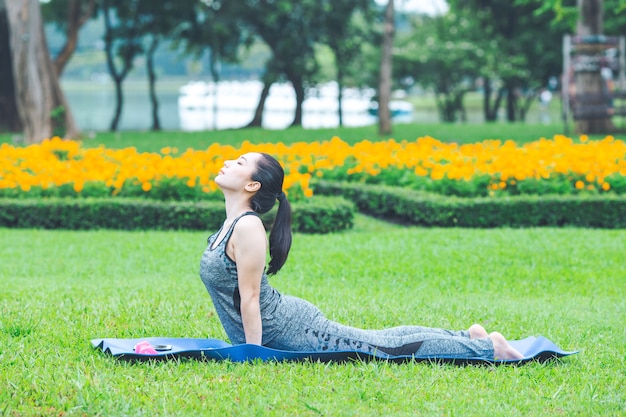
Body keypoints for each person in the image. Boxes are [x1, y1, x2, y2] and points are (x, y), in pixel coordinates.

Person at [199, 152, 524, 361]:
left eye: (239, 163)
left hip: (291, 330)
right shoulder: (230, 226)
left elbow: (251, 298)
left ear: (253, 184)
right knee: (380, 338)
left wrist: (254, 355)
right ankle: (468, 336)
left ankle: (488, 348)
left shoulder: (248, 226)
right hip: (282, 324)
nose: (228, 162)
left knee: (385, 349)